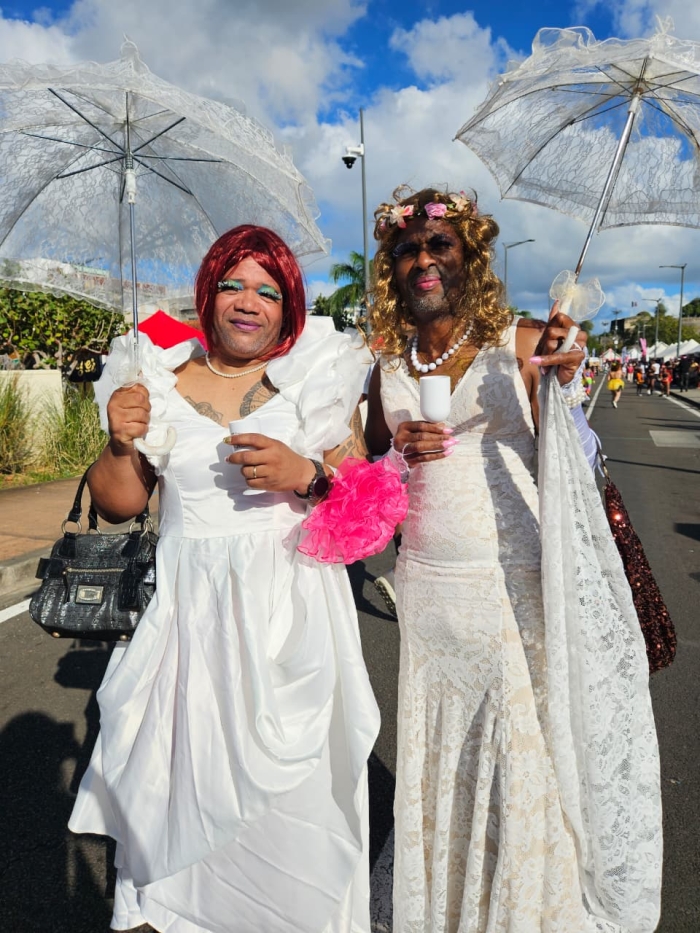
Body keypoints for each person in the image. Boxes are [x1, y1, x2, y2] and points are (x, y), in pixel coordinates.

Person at [364, 186, 661, 932]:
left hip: (509, 579)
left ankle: (523, 906)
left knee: (515, 743)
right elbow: (372, 469)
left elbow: (565, 426)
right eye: (409, 248)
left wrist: (565, 368)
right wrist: (398, 448)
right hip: (427, 586)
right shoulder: (387, 363)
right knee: (444, 744)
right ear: (392, 267)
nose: (423, 259)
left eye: (440, 245)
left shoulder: (518, 343)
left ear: (469, 256)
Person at [68, 225, 380, 933]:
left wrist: (310, 476)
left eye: (268, 291)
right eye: (234, 284)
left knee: (292, 812)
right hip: (188, 629)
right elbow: (119, 502)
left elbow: (370, 511)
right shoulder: (156, 376)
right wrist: (119, 441)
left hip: (290, 624)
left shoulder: (315, 378)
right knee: (182, 797)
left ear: (288, 307)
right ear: (208, 294)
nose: (249, 302)